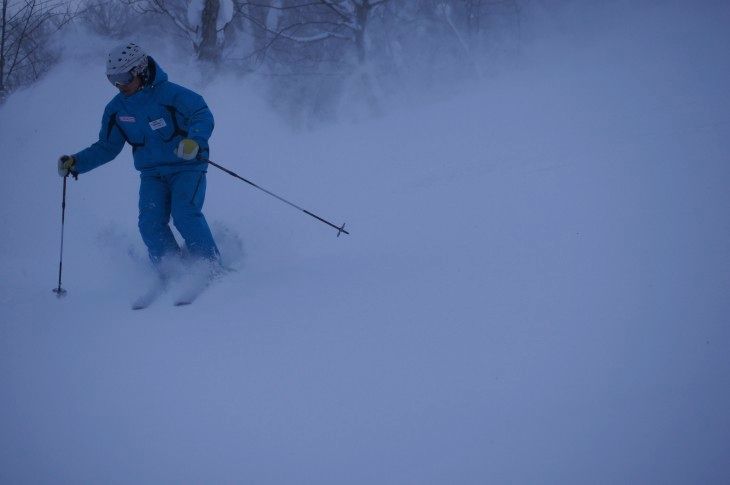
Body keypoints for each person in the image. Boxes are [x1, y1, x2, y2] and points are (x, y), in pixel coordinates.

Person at [58, 42, 220, 272]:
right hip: (152, 174)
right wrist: (76, 163)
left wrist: (194, 140)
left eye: (124, 77)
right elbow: (107, 147)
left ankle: (209, 266)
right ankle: (171, 270)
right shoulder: (116, 110)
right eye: (112, 78)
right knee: (149, 223)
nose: (119, 85)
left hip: (186, 166)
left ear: (140, 70)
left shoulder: (172, 94)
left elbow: (201, 114)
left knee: (184, 213)